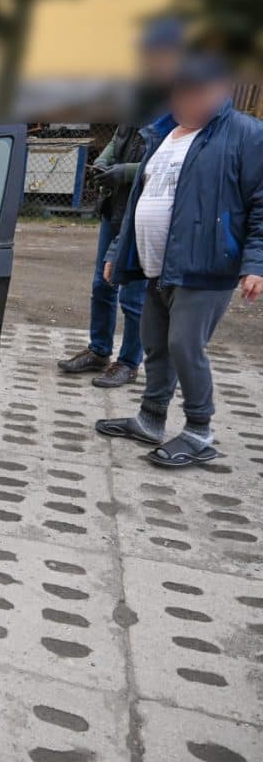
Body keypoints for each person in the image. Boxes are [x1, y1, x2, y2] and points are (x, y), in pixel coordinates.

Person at [95, 54, 263, 468]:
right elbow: (141, 200)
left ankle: (199, 432)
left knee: (185, 346)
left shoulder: (245, 134)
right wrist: (118, 251)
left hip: (206, 266)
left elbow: (260, 203)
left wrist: (255, 263)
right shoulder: (164, 134)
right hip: (157, 265)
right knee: (156, 345)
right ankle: (151, 419)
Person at [58, 17, 184, 387]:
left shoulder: (179, 102)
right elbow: (119, 135)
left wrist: (125, 172)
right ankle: (99, 350)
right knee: (102, 283)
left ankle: (129, 362)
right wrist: (105, 160)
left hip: (145, 208)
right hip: (115, 206)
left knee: (132, 292)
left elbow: (167, 159)